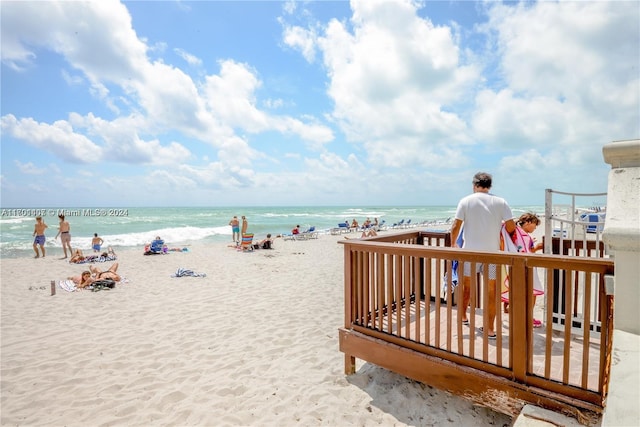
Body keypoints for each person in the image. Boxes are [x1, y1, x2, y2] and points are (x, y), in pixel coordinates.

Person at [450, 172, 515, 339]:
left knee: (466, 288)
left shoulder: (465, 201)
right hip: (491, 256)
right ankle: (490, 329)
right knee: (492, 292)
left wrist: (453, 245)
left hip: (470, 255)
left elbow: (456, 225)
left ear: (474, 185)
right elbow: (510, 227)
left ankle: (463, 317)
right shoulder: (501, 202)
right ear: (490, 186)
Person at [501, 212, 545, 327]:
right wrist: (537, 247)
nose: (535, 228)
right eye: (535, 224)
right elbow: (522, 251)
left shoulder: (523, 234)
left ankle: (514, 312)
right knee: (532, 291)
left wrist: (535, 248)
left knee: (520, 290)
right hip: (523, 266)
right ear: (528, 222)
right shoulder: (516, 232)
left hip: (521, 265)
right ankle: (527, 317)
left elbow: (527, 250)